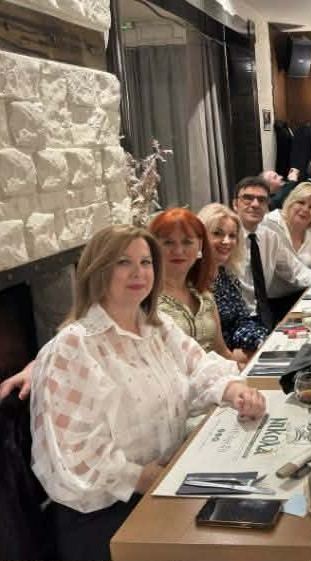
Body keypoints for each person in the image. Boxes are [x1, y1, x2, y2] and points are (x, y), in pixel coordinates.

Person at [29, 224, 265, 561]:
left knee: (253, 516)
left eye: (146, 262)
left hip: (161, 484)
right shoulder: (73, 347)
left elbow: (199, 367)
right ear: (97, 270)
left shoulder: (156, 327)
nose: (138, 273)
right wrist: (144, 478)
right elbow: (76, 453)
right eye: (123, 262)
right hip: (107, 514)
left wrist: (235, 390)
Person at [231, 176, 311, 328]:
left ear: (267, 206)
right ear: (235, 204)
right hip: (237, 318)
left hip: (265, 314)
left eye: (261, 200)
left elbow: (294, 269)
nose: (255, 204)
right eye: (248, 198)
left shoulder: (269, 237)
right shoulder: (226, 239)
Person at [149, 208, 245, 365]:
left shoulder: (204, 295)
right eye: (168, 242)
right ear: (153, 247)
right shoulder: (147, 299)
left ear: (200, 245)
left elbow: (221, 352)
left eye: (187, 242)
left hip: (216, 376)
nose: (178, 250)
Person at [197, 203, 268, 355]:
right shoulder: (193, 281)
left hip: (234, 353)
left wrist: (260, 340)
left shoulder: (226, 276)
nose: (226, 241)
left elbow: (241, 321)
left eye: (232, 236)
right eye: (217, 233)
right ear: (200, 237)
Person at [264, 182, 311, 285]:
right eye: (301, 202)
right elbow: (292, 269)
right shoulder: (270, 225)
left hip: (309, 289)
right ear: (290, 202)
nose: (305, 209)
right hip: (278, 294)